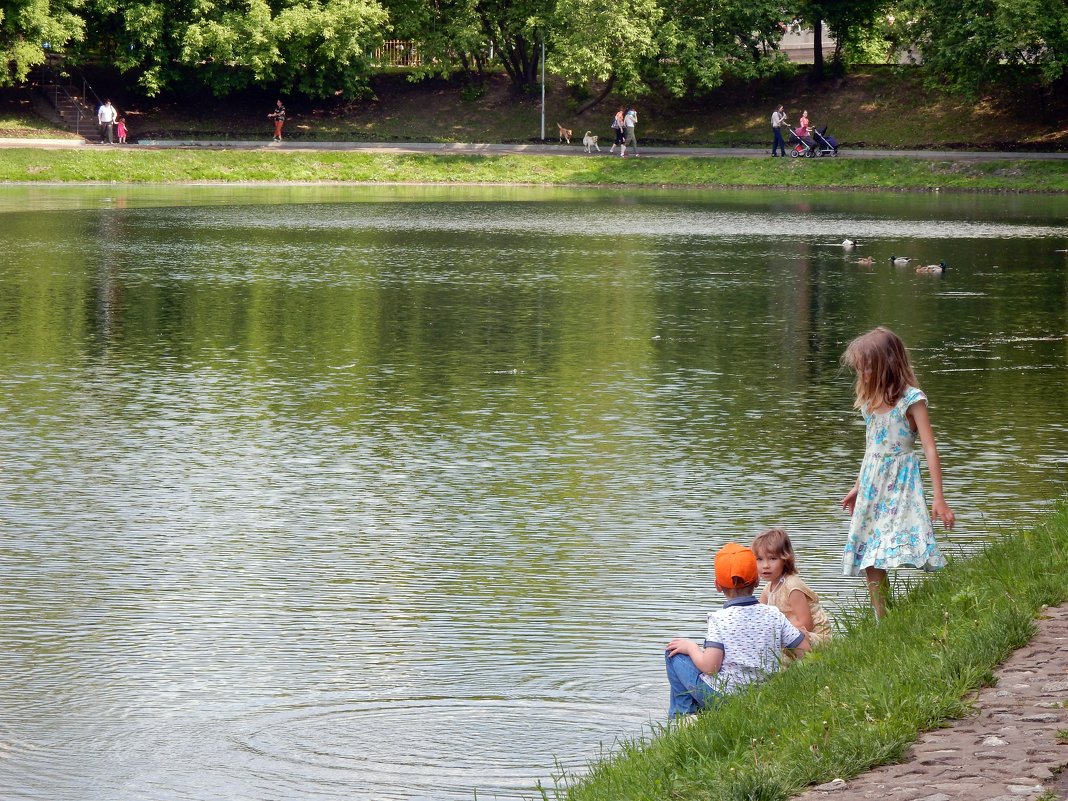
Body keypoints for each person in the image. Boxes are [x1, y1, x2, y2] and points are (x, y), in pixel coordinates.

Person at [840, 327, 955, 619]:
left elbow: (929, 447)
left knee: (897, 542)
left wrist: (939, 498)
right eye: (860, 368)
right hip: (871, 482)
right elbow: (871, 449)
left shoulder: (911, 400)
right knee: (869, 552)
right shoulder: (869, 401)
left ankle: (936, 606)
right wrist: (857, 486)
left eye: (867, 367)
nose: (862, 373)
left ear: (886, 365)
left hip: (900, 481)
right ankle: (883, 619)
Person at [664, 542, 810, 720]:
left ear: (717, 585)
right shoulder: (774, 614)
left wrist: (691, 647)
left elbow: (711, 667)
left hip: (723, 698)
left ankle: (684, 717)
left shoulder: (719, 619)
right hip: (761, 696)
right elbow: (806, 650)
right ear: (756, 581)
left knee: (674, 652)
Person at [753, 528, 832, 664]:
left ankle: (809, 662)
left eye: (772, 558)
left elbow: (806, 624)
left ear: (785, 559)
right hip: (788, 635)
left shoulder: (792, 586)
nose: (765, 565)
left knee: (782, 644)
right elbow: (758, 617)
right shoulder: (768, 589)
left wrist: (779, 630)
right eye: (759, 559)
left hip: (814, 637)